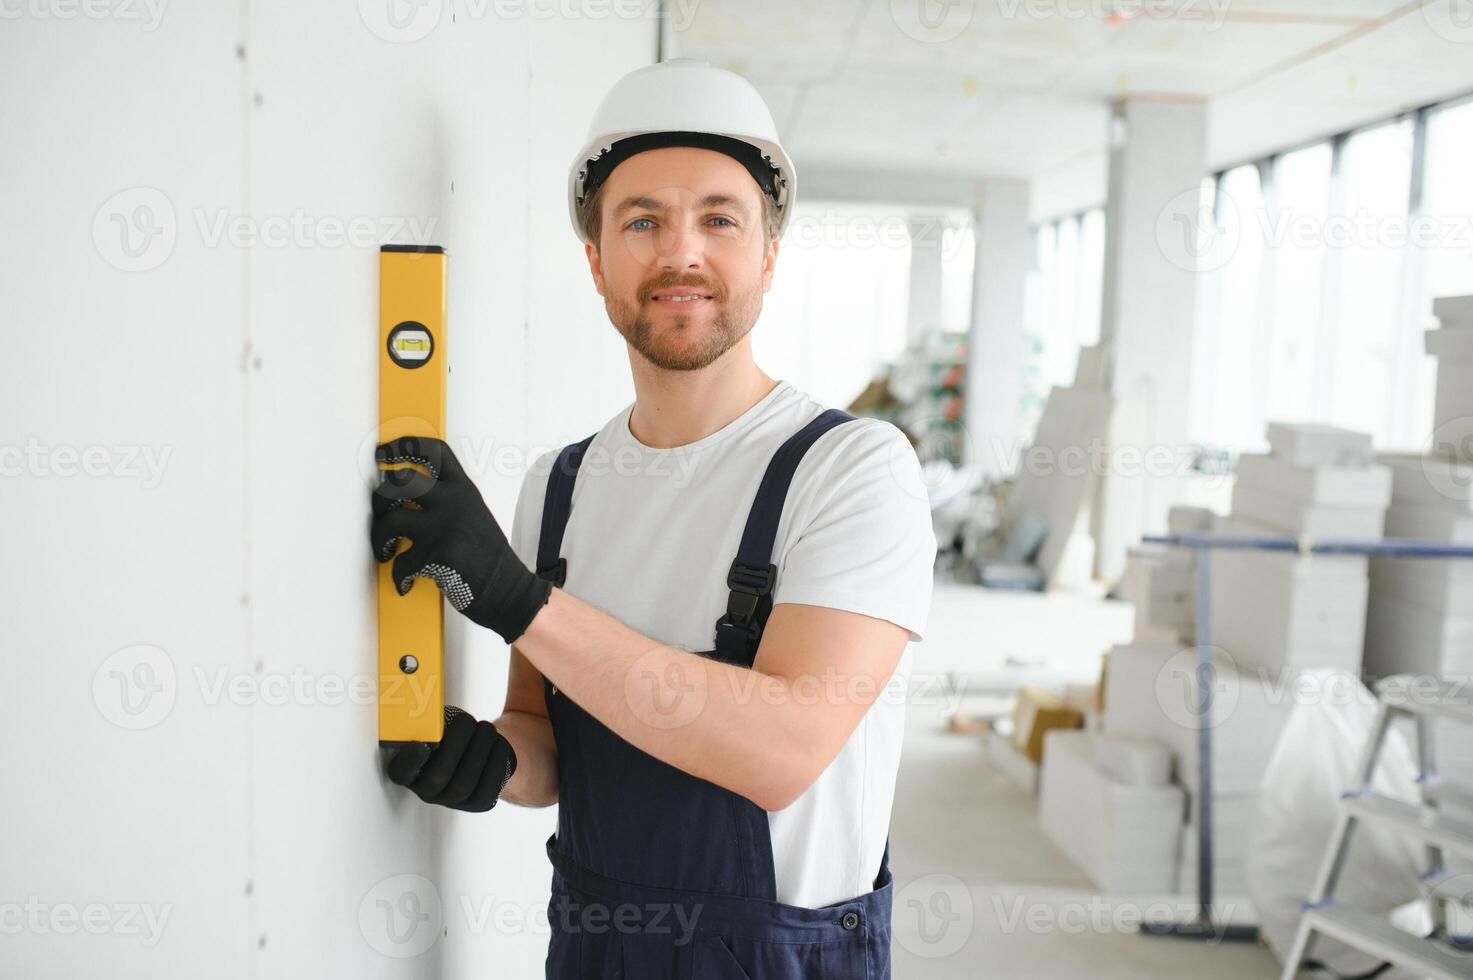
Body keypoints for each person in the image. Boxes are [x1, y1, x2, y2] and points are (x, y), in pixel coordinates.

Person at [370, 58, 936, 979]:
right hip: (596, 950)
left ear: (767, 256)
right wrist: (489, 763)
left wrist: (519, 601)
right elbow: (545, 737)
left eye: (719, 218)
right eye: (642, 221)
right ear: (596, 261)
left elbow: (783, 750)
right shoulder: (556, 486)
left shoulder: (851, 470)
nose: (682, 253)